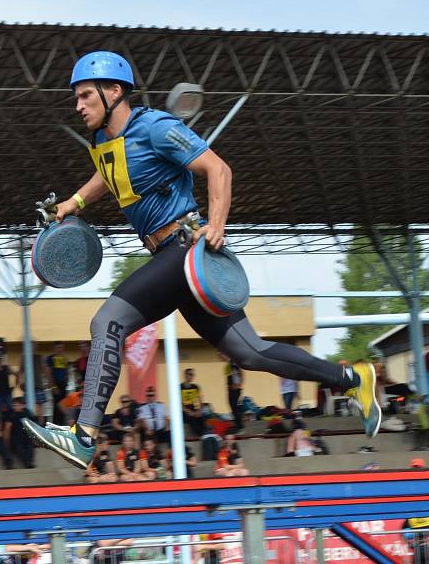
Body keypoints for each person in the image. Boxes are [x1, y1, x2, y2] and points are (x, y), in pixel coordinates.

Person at [22, 51, 380, 468]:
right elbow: (109, 173)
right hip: (173, 260)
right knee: (250, 353)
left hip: (184, 248)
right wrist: (74, 202)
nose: (78, 105)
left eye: (85, 95)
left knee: (107, 323)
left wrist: (218, 223)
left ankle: (83, 436)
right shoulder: (105, 141)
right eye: (77, 98)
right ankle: (353, 378)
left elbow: (218, 169)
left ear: (114, 91)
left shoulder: (156, 127)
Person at [2, 397, 36, 468]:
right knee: (18, 448)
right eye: (14, 405)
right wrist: (6, 441)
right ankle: (27, 462)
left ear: (23, 405)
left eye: (18, 405)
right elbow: (7, 428)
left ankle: (29, 461)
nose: (15, 407)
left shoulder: (27, 412)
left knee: (30, 446)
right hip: (15, 436)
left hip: (26, 435)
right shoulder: (10, 413)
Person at [221, 352, 244, 431]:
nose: (221, 357)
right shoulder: (227, 365)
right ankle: (237, 424)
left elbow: (240, 373)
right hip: (230, 388)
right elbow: (229, 377)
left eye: (222, 355)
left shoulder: (233, 363)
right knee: (232, 406)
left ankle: (239, 425)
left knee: (234, 406)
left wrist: (239, 384)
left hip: (235, 389)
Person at [180, 369, 206, 436]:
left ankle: (204, 435)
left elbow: (200, 400)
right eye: (190, 374)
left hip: (195, 409)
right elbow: (179, 404)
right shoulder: (180, 387)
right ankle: (199, 435)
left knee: (202, 417)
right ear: (185, 375)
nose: (192, 376)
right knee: (192, 418)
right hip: (185, 411)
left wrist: (199, 410)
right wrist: (189, 412)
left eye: (193, 375)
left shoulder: (195, 387)